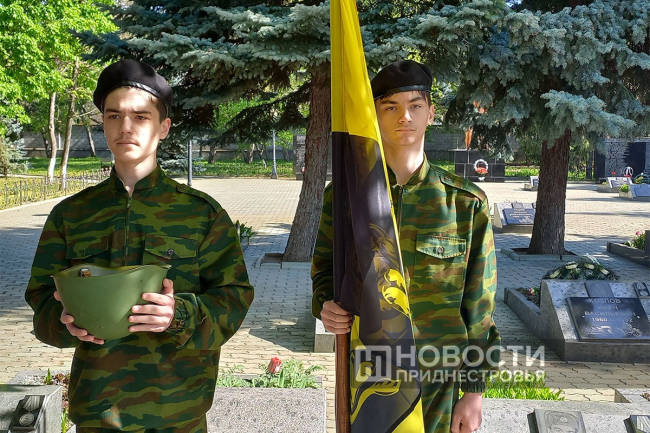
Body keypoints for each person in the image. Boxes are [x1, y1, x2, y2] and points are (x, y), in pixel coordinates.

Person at [25, 59, 254, 432]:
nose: (125, 127)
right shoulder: (71, 215)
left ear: (163, 127)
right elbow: (41, 303)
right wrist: (65, 323)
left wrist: (178, 314)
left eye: (141, 117)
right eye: (114, 116)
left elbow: (234, 299)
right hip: (98, 413)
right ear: (103, 123)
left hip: (178, 414)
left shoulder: (202, 214)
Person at [311, 60, 501, 433]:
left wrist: (474, 391)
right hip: (371, 379)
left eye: (415, 106)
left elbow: (480, 306)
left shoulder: (465, 204)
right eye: (391, 107)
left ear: (431, 113)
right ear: (375, 115)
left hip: (438, 384)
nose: (405, 117)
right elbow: (324, 272)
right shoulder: (346, 198)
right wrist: (325, 306)